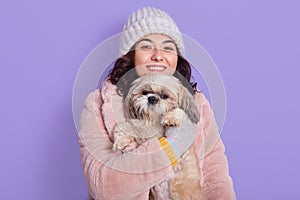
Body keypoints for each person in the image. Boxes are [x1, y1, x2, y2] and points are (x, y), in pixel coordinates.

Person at [78, 7, 236, 200]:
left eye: (168, 48)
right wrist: (170, 143)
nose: (158, 55)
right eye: (146, 46)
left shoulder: (198, 104)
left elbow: (216, 178)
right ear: (131, 55)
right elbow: (102, 186)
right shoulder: (97, 104)